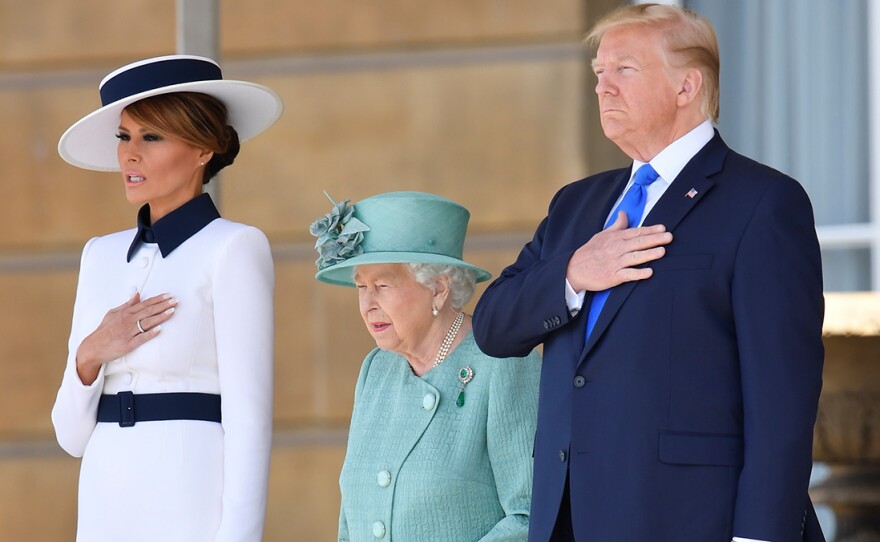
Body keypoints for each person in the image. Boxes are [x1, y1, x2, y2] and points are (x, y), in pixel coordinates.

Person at [472, 4, 825, 542]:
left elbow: (782, 403)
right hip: (567, 518)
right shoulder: (576, 205)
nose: (603, 87)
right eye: (598, 72)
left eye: (624, 70)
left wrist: (759, 536)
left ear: (687, 87)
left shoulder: (764, 203)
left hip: (691, 522)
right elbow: (493, 326)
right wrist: (573, 272)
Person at [51, 55, 282, 541]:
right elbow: (70, 436)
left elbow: (250, 423)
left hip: (189, 500)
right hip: (103, 501)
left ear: (203, 150)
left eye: (151, 137)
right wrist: (93, 351)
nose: (130, 154)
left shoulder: (235, 248)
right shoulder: (99, 255)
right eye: (124, 136)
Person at [310, 191, 541, 541]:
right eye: (361, 287)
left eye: (382, 285)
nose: (368, 304)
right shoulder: (377, 370)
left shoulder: (502, 362)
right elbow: (351, 517)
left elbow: (530, 516)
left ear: (438, 288)